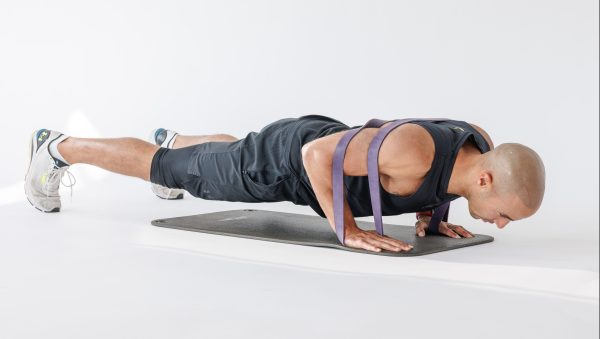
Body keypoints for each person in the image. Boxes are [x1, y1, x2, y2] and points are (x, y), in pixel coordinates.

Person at [24, 114, 545, 253]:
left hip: (323, 147)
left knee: (224, 156)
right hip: (294, 161)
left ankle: (184, 138)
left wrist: (433, 217)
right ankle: (58, 146)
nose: (497, 222)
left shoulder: (476, 147)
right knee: (168, 169)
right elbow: (317, 156)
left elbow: (436, 180)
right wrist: (345, 228)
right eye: (504, 211)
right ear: (486, 177)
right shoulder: (415, 148)